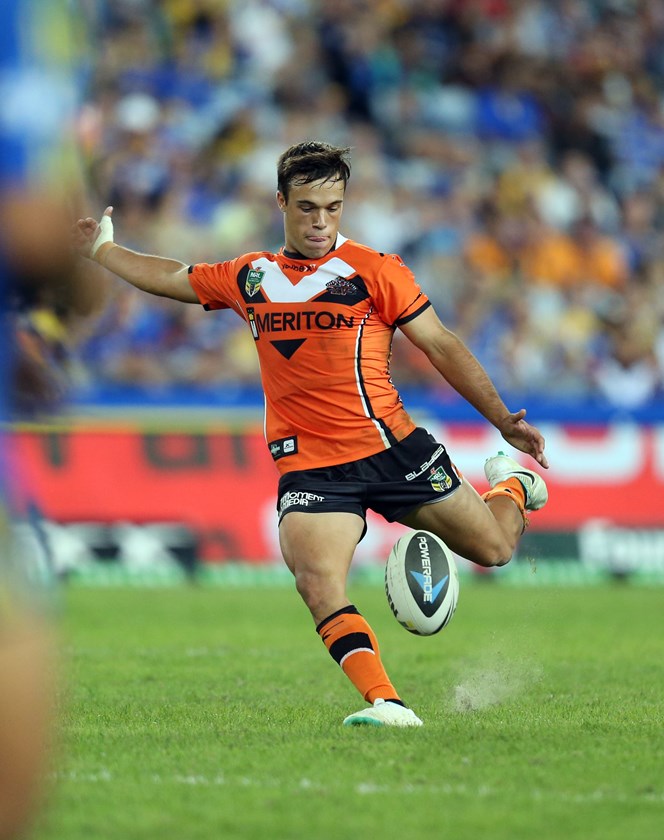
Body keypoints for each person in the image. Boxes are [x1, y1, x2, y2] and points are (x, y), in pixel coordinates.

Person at [75, 141, 549, 728]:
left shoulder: (378, 270)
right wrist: (104, 250)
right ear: (281, 202)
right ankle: (386, 703)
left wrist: (503, 420)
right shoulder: (251, 276)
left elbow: (442, 344)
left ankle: (511, 487)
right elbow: (173, 277)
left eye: (332, 207)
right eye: (306, 207)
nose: (320, 221)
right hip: (312, 468)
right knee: (317, 580)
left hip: (392, 449)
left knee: (495, 550)